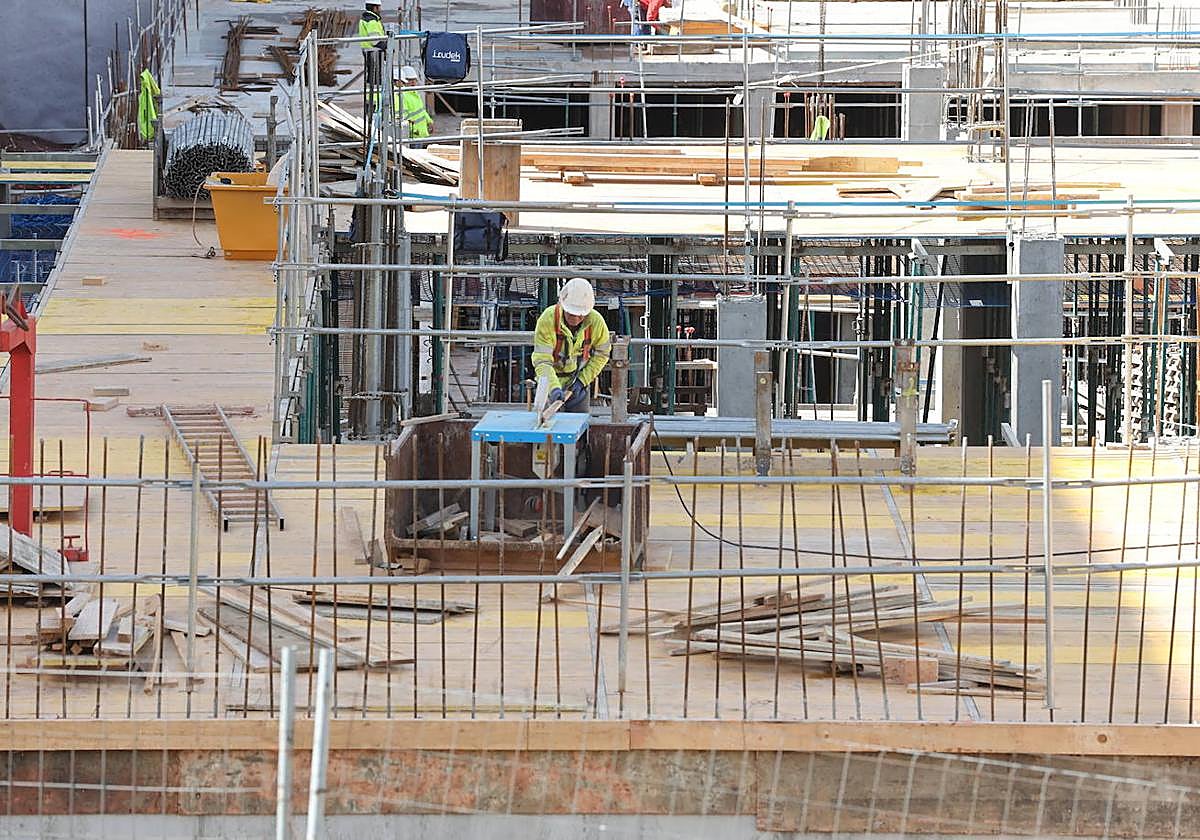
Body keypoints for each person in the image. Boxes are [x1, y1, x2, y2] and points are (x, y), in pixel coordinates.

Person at [531, 278, 612, 414]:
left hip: (577, 382)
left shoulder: (596, 322)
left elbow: (602, 355)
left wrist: (582, 381)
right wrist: (554, 388)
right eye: (571, 314)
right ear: (562, 305)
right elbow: (542, 361)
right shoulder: (548, 319)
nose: (575, 319)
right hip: (548, 381)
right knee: (544, 426)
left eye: (580, 315)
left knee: (579, 427)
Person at [399, 66, 434, 142]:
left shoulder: (415, 94)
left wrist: (429, 121)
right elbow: (405, 116)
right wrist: (413, 130)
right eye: (409, 80)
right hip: (413, 134)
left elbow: (421, 110)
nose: (413, 82)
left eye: (414, 80)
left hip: (421, 132)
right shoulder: (403, 96)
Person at [359, 1, 386, 84]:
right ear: (375, 8)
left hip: (369, 50)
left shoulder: (366, 19)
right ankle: (374, 94)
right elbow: (375, 40)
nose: (380, 9)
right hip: (374, 51)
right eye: (379, 7)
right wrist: (386, 47)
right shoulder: (372, 21)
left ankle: (371, 93)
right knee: (375, 77)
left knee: (372, 74)